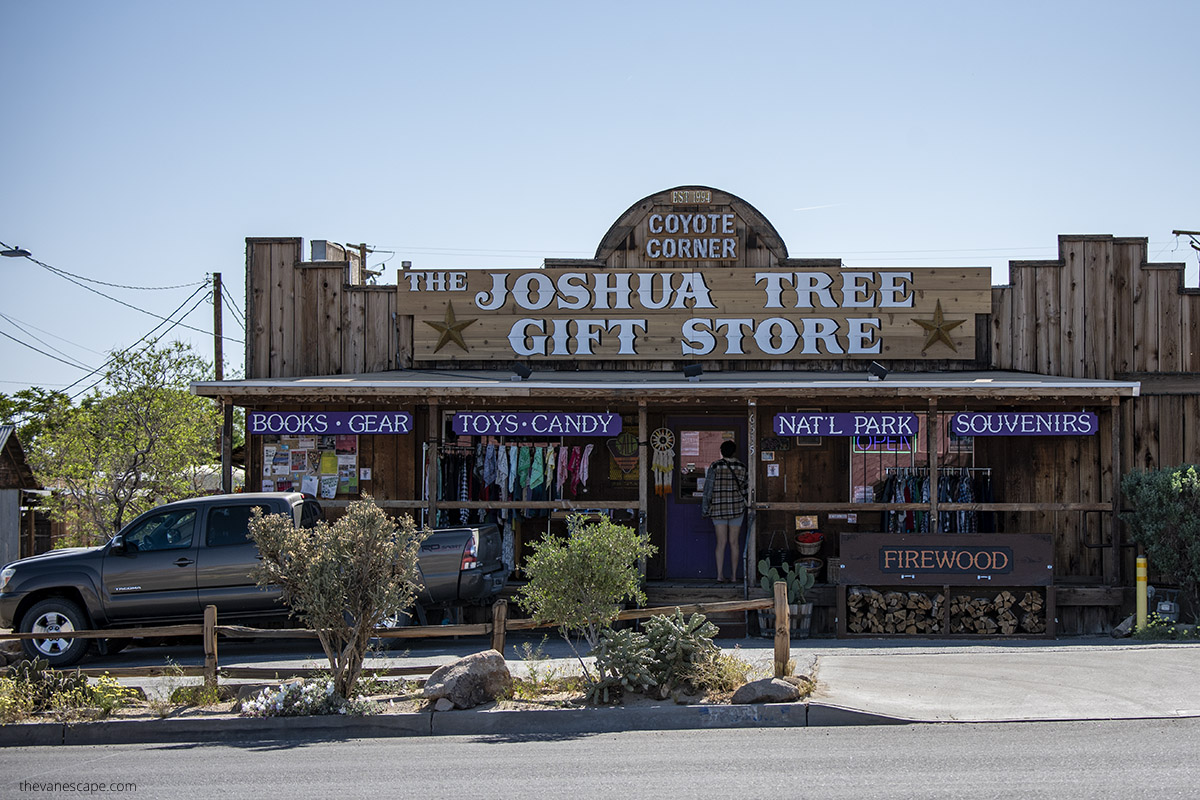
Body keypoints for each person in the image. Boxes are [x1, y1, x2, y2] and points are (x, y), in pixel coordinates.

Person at [701, 440, 748, 583]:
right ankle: (734, 576)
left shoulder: (715, 466)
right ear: (734, 452)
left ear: (721, 451)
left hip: (719, 508)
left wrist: (705, 509)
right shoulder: (741, 467)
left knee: (721, 543)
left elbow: (708, 489)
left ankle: (720, 575)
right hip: (737, 508)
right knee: (734, 543)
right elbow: (746, 489)